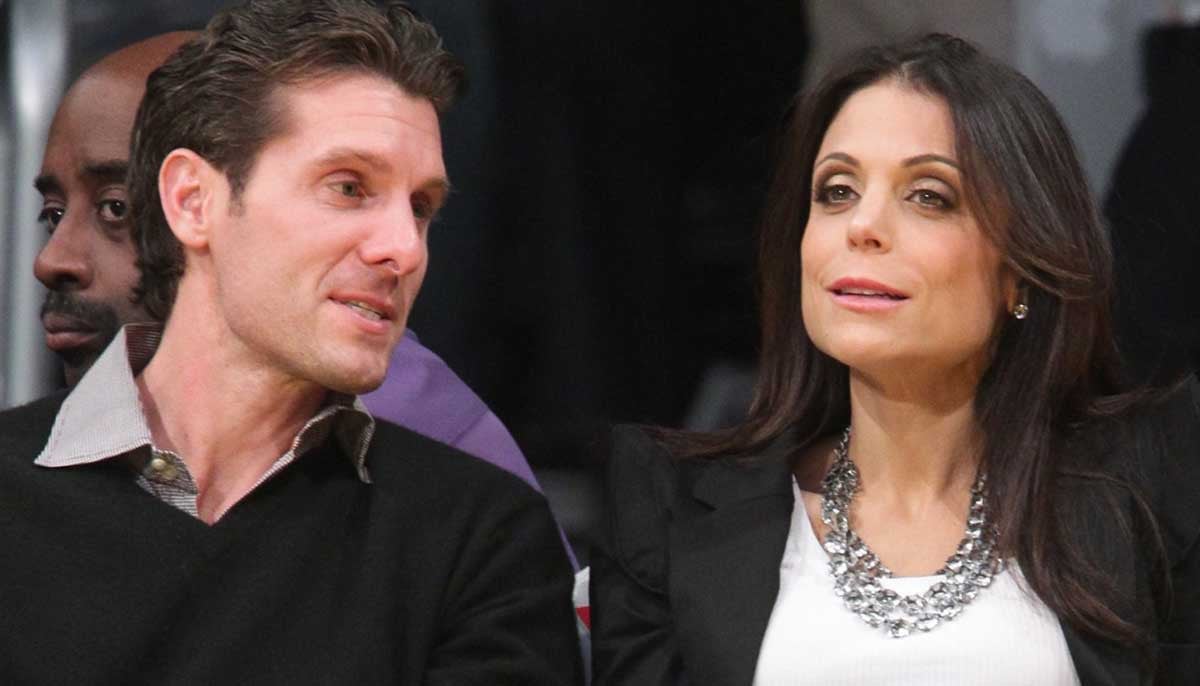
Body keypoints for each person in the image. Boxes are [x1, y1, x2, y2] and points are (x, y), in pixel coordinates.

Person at [0, 1, 581, 683]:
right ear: (192, 200)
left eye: (422, 208)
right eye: (349, 187)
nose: (404, 248)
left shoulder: (479, 535)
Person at [591, 34, 1200, 684]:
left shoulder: (1153, 493)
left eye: (929, 196)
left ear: (1021, 271)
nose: (863, 226)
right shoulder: (667, 512)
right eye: (837, 191)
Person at [32, 30, 549, 500]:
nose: (52, 261)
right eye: (53, 215)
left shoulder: (425, 445)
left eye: (117, 208)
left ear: (195, 202)